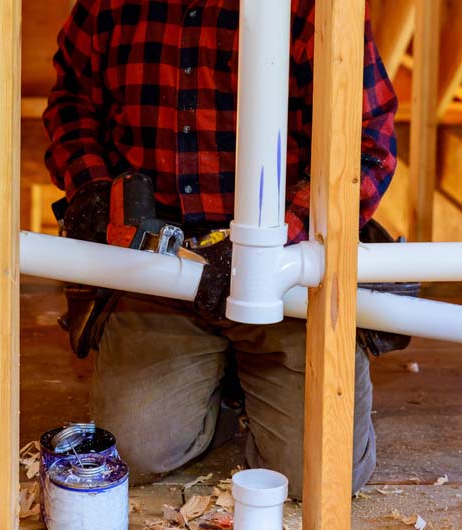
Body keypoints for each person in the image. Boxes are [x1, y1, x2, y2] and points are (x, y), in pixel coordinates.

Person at [43, 0, 398, 499]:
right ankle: (226, 386)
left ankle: (272, 365)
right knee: (134, 452)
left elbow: (367, 141)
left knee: (317, 474)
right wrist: (91, 187)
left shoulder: (315, 8)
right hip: (159, 270)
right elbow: (71, 102)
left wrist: (278, 239)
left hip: (287, 271)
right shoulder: (109, 5)